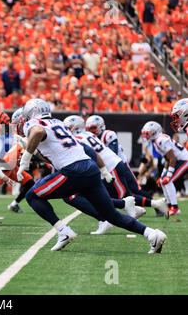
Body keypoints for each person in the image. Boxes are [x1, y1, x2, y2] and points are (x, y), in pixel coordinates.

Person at [17, 99, 167, 253]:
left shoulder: (35, 124)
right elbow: (54, 157)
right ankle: (152, 234)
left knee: (32, 196)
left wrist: (25, 158)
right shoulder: (59, 123)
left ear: (32, 112)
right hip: (89, 168)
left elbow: (38, 132)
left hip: (73, 170)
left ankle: (63, 232)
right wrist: (34, 153)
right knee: (112, 216)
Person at [141, 121, 188, 217]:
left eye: (148, 133)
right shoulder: (156, 141)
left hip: (184, 160)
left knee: (168, 181)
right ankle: (169, 205)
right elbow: (167, 159)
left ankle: (174, 207)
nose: (146, 135)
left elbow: (172, 158)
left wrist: (168, 175)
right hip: (177, 160)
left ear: (155, 132)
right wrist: (163, 175)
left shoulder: (160, 140)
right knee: (162, 181)